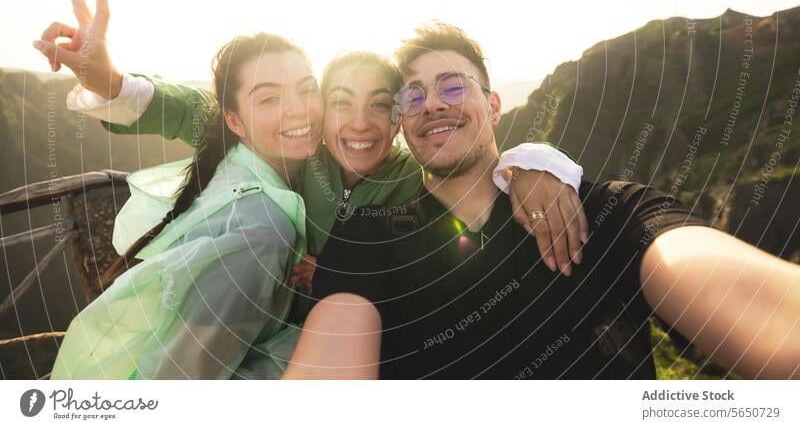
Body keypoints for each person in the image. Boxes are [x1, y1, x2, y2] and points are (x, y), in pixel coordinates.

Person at [283, 23, 800, 380]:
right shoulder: (368, 240)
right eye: (412, 96)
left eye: (451, 86)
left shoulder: (604, 213)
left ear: (493, 104)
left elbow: (703, 269)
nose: (432, 103)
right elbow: (335, 348)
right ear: (403, 122)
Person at [34, 0, 590, 279]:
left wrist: (536, 160)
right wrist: (108, 79)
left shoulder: (416, 181)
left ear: (401, 117)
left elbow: (475, 168)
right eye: (340, 103)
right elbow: (190, 109)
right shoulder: (297, 152)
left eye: (380, 105)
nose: (359, 124)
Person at [52, 29, 321, 379]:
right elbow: (179, 380)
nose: (298, 109)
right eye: (269, 98)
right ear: (233, 120)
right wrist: (314, 340)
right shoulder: (261, 232)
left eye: (308, 89)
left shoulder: (247, 165)